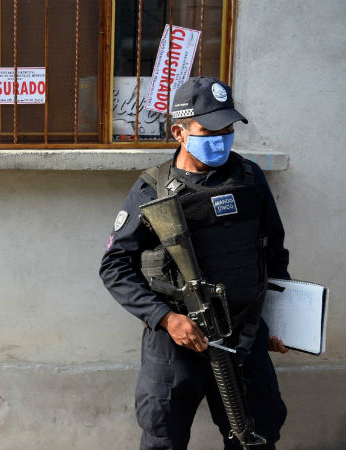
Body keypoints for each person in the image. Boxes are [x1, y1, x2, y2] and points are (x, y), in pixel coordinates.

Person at [99, 76, 290, 450]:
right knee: (163, 438)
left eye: (229, 128)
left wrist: (279, 323)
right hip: (177, 344)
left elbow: (274, 256)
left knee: (256, 435)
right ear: (179, 132)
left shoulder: (250, 180)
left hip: (244, 337)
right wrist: (165, 319)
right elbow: (114, 266)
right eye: (210, 129)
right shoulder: (152, 189)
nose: (222, 138)